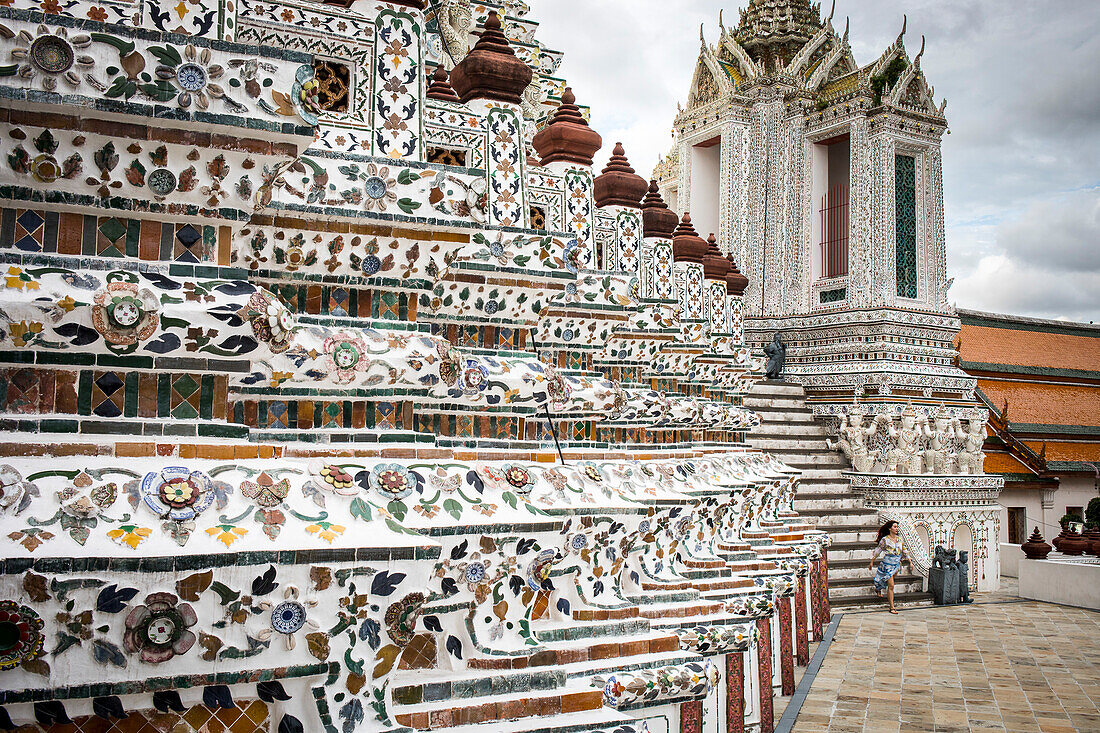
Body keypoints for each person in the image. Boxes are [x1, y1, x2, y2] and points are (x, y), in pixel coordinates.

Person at [869, 519, 911, 614]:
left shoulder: (899, 539)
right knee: (891, 585)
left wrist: (910, 561)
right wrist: (872, 561)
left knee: (887, 582)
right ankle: (892, 607)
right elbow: (878, 550)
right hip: (887, 564)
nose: (896, 529)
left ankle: (877, 588)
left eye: (897, 527)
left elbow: (904, 550)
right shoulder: (885, 540)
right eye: (894, 527)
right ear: (889, 528)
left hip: (896, 564)